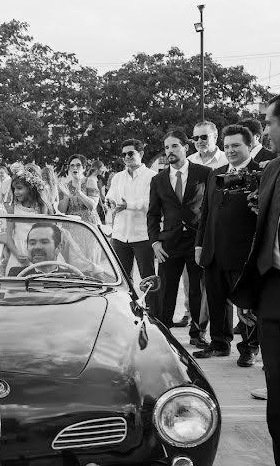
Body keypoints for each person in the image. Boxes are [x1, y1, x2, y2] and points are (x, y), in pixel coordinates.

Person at [231, 91, 280, 466]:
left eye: (270, 122)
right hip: (275, 293)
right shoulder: (274, 168)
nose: (266, 130)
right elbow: (265, 233)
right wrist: (255, 295)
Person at [192, 125, 260, 365]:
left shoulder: (261, 174)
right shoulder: (215, 174)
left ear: (249, 146)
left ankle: (249, 348)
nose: (230, 150)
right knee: (216, 300)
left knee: (245, 302)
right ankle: (219, 344)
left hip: (243, 253)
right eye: (227, 145)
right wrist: (200, 245)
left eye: (236, 145)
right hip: (213, 251)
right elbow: (206, 213)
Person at [147, 130, 211, 349]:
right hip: (168, 244)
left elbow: (210, 209)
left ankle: (198, 333)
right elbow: (153, 214)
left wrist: (206, 241)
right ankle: (164, 332)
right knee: (166, 290)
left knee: (197, 290)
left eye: (174, 146)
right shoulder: (158, 179)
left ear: (186, 147)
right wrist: (155, 242)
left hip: (197, 241)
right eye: (166, 147)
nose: (170, 151)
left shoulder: (205, 173)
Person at [106, 139, 157, 298]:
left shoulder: (152, 177)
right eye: (123, 154)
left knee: (148, 280)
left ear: (141, 153)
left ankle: (151, 315)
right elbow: (110, 197)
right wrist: (110, 203)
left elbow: (152, 204)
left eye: (130, 153)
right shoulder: (117, 178)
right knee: (123, 280)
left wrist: (129, 205)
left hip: (143, 235)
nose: (126, 157)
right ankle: (128, 313)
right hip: (120, 235)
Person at [59, 155, 100, 226]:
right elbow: (61, 211)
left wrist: (80, 194)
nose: (75, 168)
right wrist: (66, 197)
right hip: (72, 226)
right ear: (69, 169)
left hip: (88, 226)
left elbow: (93, 206)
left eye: (78, 165)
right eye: (72, 165)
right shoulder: (66, 186)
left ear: (84, 168)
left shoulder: (90, 181)